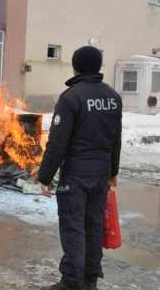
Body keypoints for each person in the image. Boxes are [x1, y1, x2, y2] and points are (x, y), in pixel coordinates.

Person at [37, 46, 122, 290]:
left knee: (73, 228)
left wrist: (45, 176)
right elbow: (116, 139)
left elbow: (57, 142)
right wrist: (112, 173)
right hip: (100, 175)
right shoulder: (112, 97)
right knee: (94, 226)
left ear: (75, 67)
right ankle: (90, 280)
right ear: (98, 67)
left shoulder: (71, 97)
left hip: (75, 176)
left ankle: (72, 283)